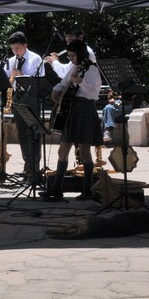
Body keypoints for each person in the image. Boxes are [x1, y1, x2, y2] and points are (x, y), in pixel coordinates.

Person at [43, 40, 103, 201]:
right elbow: (64, 82)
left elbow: (93, 93)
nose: (70, 59)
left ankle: (87, 190)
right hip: (71, 110)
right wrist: (56, 90)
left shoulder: (92, 69)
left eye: (73, 56)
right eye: (69, 56)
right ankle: (56, 189)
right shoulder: (75, 67)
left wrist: (80, 82)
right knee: (63, 150)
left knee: (84, 150)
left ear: (81, 54)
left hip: (84, 110)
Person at [3, 31, 46, 180]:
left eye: (18, 48)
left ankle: (35, 169)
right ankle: (27, 166)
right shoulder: (11, 60)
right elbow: (5, 79)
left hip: (32, 98)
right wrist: (9, 77)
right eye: (12, 49)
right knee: (22, 133)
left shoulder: (35, 59)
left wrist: (21, 75)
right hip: (18, 97)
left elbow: (41, 80)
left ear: (25, 45)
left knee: (33, 133)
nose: (15, 51)